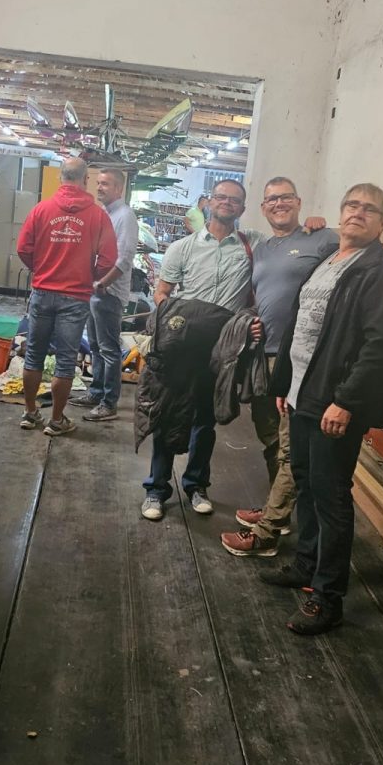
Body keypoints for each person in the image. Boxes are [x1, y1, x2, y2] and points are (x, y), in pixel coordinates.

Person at [261, 184, 383, 636]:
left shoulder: (382, 272)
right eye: (352, 205)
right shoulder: (329, 260)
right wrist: (286, 385)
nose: (358, 213)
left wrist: (345, 401)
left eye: (370, 209)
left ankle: (328, 597)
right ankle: (306, 565)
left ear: (382, 223)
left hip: (334, 399)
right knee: (306, 483)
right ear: (341, 213)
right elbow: (301, 325)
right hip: (304, 393)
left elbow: (378, 348)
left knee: (331, 497)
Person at [221, 177, 338, 559]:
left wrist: (322, 223)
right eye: (271, 199)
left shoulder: (322, 240)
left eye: (286, 197)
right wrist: (252, 319)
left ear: (299, 202)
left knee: (289, 445)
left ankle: (268, 533)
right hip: (264, 356)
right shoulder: (262, 247)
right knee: (269, 436)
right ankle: (279, 509)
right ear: (262, 208)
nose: (278, 203)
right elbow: (260, 295)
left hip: (300, 358)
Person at [141, 180, 263, 522]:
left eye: (234, 200)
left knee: (206, 419)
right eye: (221, 197)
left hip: (221, 348)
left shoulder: (254, 244)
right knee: (168, 413)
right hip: (182, 345)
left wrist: (312, 225)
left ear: (242, 208)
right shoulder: (183, 247)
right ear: (209, 202)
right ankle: (156, 488)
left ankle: (196, 485)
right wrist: (176, 322)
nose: (227, 203)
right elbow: (162, 293)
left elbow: (289, 243)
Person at [16, 158, 117, 437]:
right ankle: (56, 420)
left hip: (42, 291)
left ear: (61, 178)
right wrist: (89, 275)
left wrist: (40, 269)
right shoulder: (98, 216)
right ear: (85, 180)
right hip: (75, 296)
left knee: (34, 354)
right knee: (65, 359)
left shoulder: (41, 209)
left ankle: (30, 413)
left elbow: (23, 247)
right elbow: (109, 259)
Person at [71, 168, 139, 422]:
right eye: (98, 183)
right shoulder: (105, 213)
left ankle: (109, 403)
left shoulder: (125, 216)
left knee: (109, 350)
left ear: (119, 188)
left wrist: (102, 284)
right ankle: (97, 392)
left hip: (109, 293)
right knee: (96, 347)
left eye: (106, 184)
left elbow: (124, 258)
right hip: (96, 290)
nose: (100, 187)